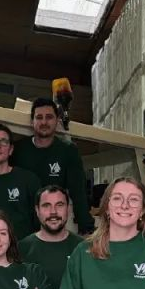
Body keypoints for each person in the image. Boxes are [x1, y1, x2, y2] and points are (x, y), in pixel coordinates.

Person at [11, 97, 93, 234]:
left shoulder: (68, 151)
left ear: (57, 120)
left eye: (49, 117)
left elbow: (78, 191)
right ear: (32, 121)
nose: (44, 122)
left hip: (54, 224)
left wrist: (86, 227)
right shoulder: (18, 150)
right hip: (23, 225)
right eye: (39, 117)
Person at [19, 185, 83, 289]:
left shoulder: (83, 248)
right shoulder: (22, 249)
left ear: (68, 209)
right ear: (37, 210)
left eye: (59, 205)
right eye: (46, 206)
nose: (53, 212)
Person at [0, 124, 41, 239]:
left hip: (22, 248)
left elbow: (40, 221)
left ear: (11, 150)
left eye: (3, 142)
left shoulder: (29, 180)